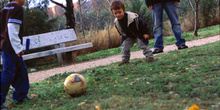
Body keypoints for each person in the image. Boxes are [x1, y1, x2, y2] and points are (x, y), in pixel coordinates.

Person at [0, 0, 32, 109]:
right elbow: (12, 28)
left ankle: (20, 96)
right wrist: (18, 48)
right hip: (11, 47)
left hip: (5, 45)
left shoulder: (5, 9)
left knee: (21, 70)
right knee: (8, 73)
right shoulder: (17, 8)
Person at [111, 1, 154, 66]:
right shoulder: (116, 22)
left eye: (120, 12)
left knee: (142, 44)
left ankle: (149, 57)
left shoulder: (133, 17)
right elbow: (120, 30)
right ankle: (125, 60)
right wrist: (123, 37)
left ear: (124, 10)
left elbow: (143, 24)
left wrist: (145, 33)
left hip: (139, 33)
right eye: (115, 13)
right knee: (124, 47)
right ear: (113, 13)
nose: (118, 15)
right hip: (128, 36)